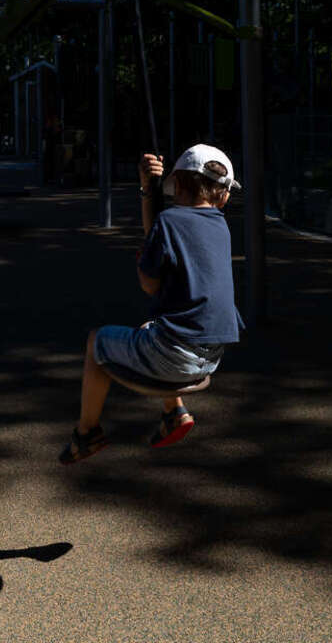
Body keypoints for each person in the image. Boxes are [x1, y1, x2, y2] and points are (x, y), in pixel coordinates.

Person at [59, 143, 245, 464]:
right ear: (224, 196)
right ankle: (174, 413)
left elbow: (149, 284)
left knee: (96, 343)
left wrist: (143, 256)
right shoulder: (220, 227)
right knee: (151, 327)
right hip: (212, 355)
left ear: (180, 185)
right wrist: (149, 190)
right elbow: (164, 233)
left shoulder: (170, 221)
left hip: (175, 356)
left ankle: (86, 433)